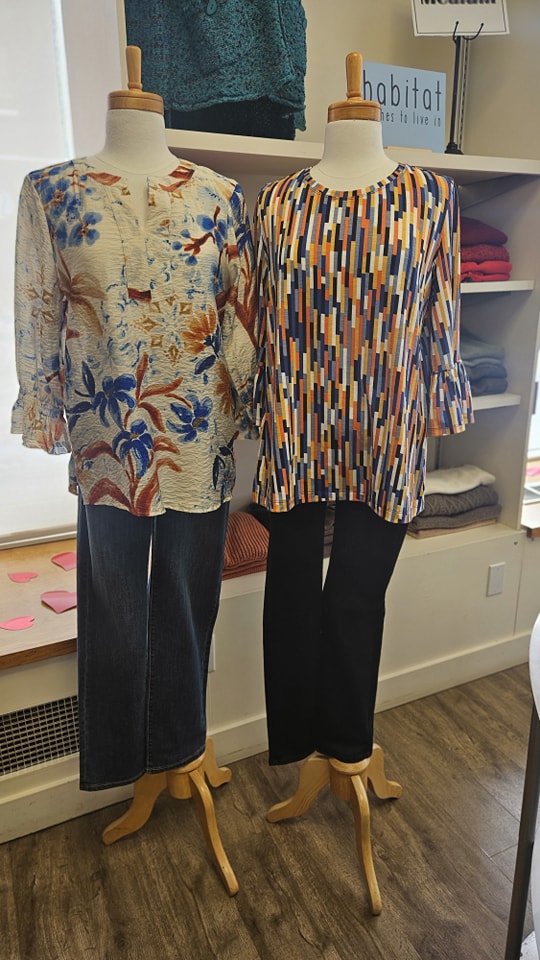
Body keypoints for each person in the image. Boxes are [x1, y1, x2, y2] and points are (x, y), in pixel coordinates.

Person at [12, 53, 256, 791]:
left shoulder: (220, 197)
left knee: (186, 606)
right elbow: (36, 308)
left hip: (196, 438)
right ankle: (120, 762)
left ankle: (179, 749)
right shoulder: (50, 190)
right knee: (115, 604)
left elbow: (241, 320)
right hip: (103, 439)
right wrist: (41, 401)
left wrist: (245, 409)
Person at [252, 53, 473, 769]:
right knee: (288, 591)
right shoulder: (278, 201)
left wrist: (444, 402)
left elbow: (442, 312)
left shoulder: (432, 196)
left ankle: (346, 748)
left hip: (388, 429)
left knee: (355, 596)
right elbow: (263, 320)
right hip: (298, 425)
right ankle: (295, 742)